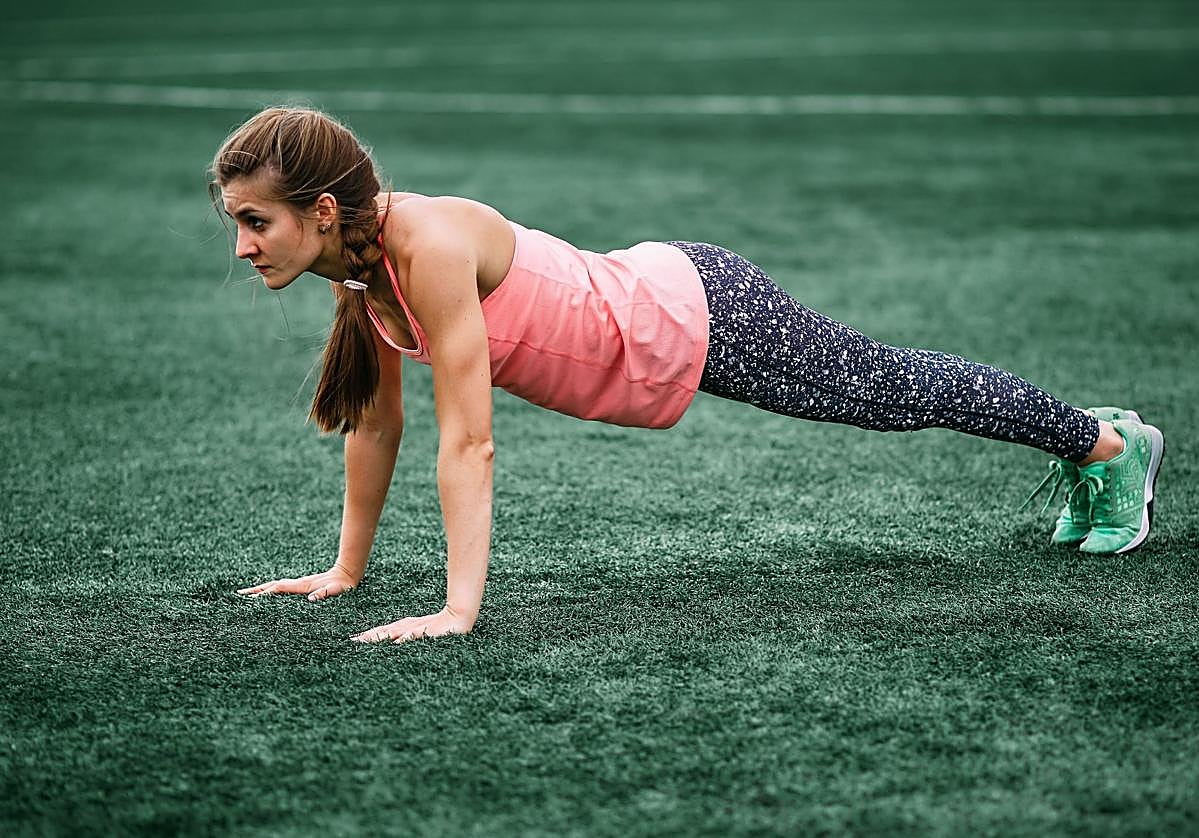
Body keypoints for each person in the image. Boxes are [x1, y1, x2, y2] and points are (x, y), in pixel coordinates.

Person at [213, 107, 1165, 645]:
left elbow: (469, 437)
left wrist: (458, 610)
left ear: (324, 208)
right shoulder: (361, 270)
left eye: (256, 220)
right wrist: (345, 571)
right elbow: (377, 427)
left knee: (889, 392)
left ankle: (1108, 446)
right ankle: (1090, 435)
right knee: (890, 390)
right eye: (237, 222)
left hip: (696, 315)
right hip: (662, 306)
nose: (243, 243)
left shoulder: (426, 244)